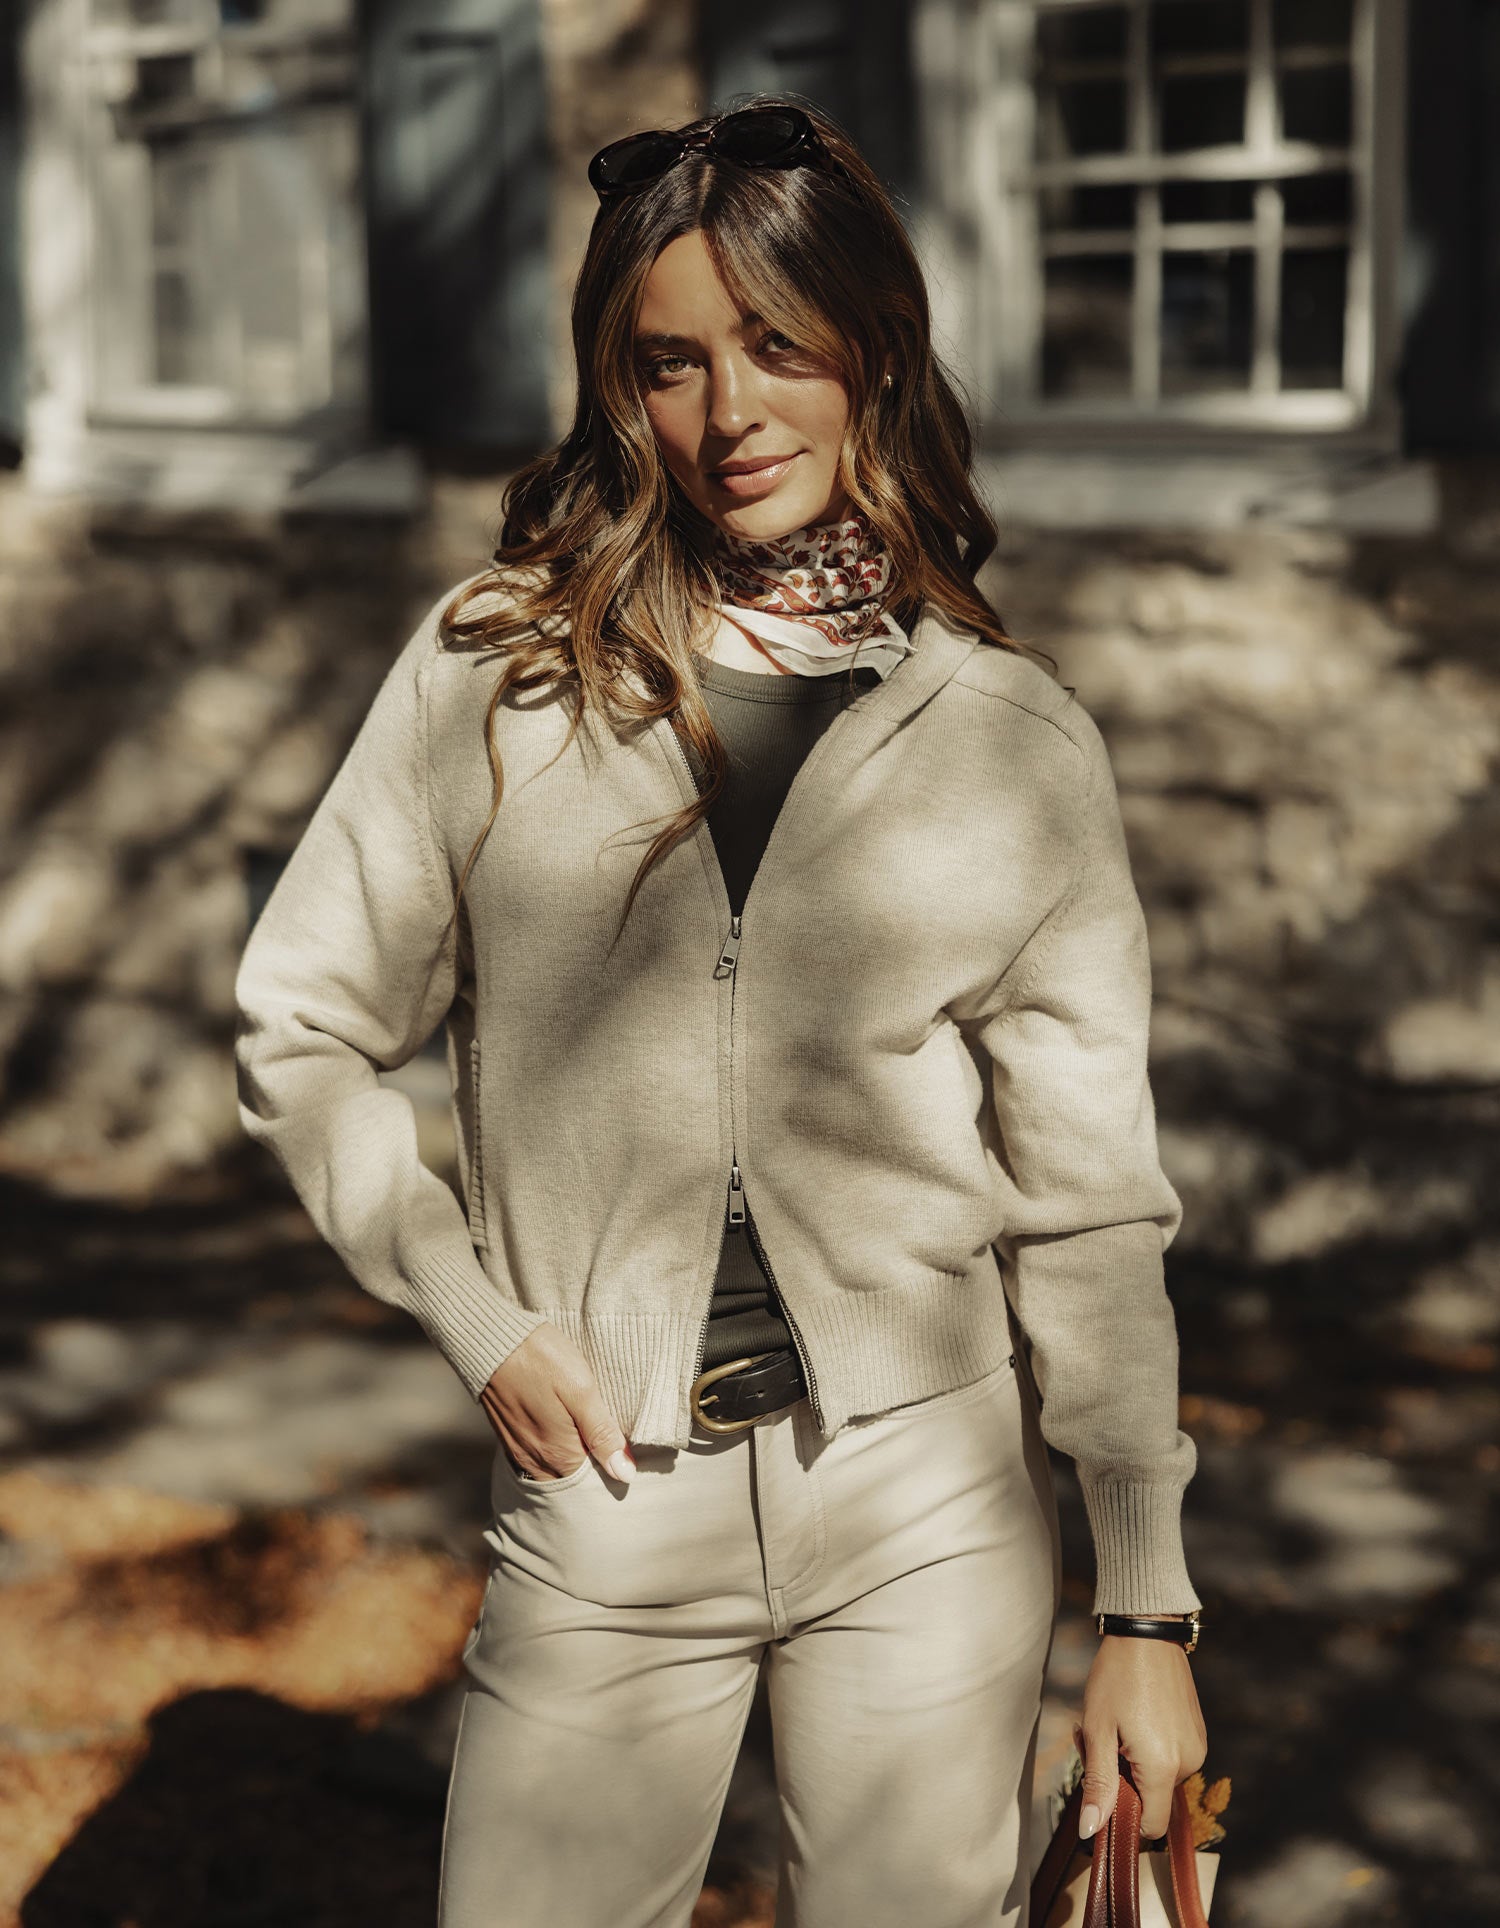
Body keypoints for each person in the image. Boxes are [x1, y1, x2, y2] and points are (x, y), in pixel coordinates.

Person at [233, 95, 1207, 1928]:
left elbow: (1090, 1202)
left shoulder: (1011, 741)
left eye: (776, 346)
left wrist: (1146, 1608)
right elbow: (304, 1028)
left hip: (930, 1501)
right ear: (622, 390)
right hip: (606, 1490)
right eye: (670, 362)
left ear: (871, 353)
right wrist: (472, 1311)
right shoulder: (501, 673)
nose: (729, 412)